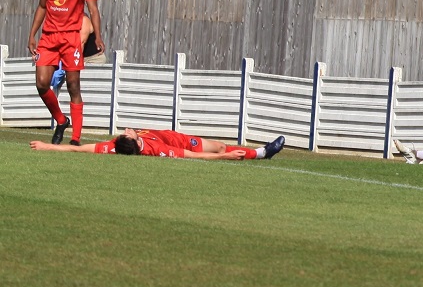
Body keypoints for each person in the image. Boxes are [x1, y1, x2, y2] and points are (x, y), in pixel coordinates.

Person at [28, 0, 104, 146]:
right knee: (42, 84)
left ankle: (75, 138)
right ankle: (61, 120)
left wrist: (97, 35)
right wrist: (32, 34)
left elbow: (93, 10)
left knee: (73, 85)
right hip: (49, 38)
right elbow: (42, 7)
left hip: (71, 38)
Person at [30, 128, 286, 160]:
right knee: (219, 148)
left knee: (219, 144)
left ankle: (261, 151)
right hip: (181, 141)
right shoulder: (158, 150)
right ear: (135, 140)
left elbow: (76, 148)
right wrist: (222, 158)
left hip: (173, 134)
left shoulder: (113, 146)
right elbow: (191, 156)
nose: (125, 130)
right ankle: (263, 153)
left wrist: (47, 146)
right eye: (127, 132)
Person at [51, 14, 106, 92]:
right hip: (76, 57)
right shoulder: (65, 21)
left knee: (85, 90)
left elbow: (80, 45)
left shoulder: (84, 20)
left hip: (93, 60)